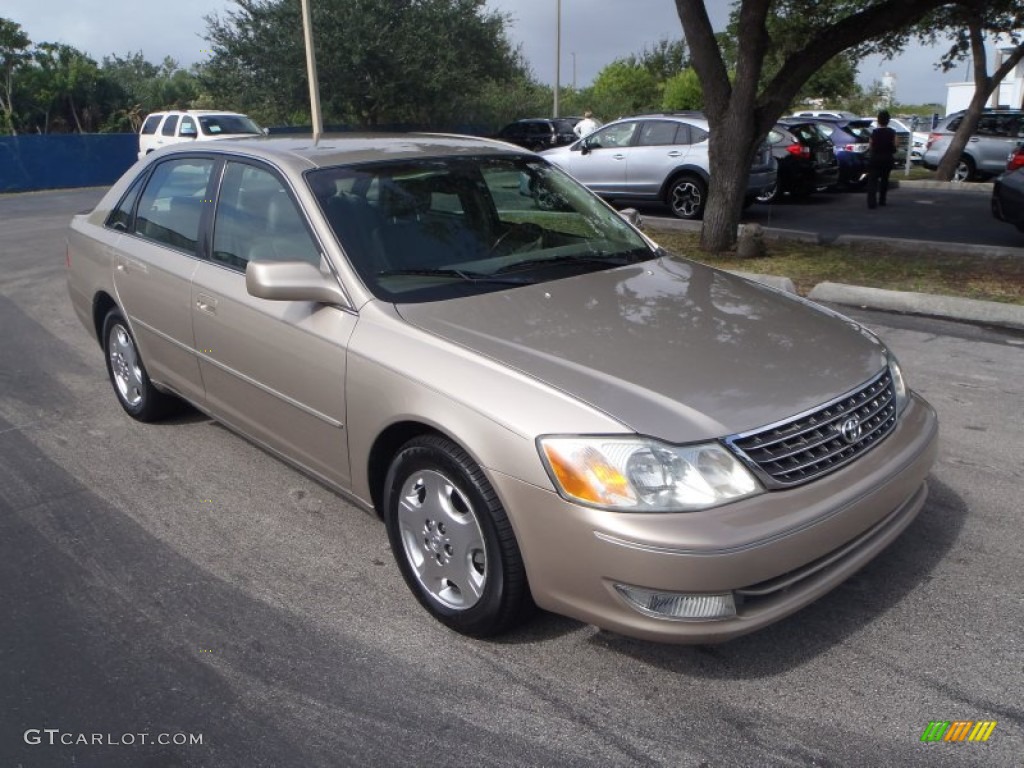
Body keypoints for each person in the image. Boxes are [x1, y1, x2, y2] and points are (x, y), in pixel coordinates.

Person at [866, 109, 897, 209]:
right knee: (885, 179)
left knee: (872, 180)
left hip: (875, 158)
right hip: (887, 158)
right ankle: (882, 200)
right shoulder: (892, 132)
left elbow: (870, 145)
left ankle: (871, 201)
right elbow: (896, 144)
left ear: (878, 120)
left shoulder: (874, 132)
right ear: (888, 121)